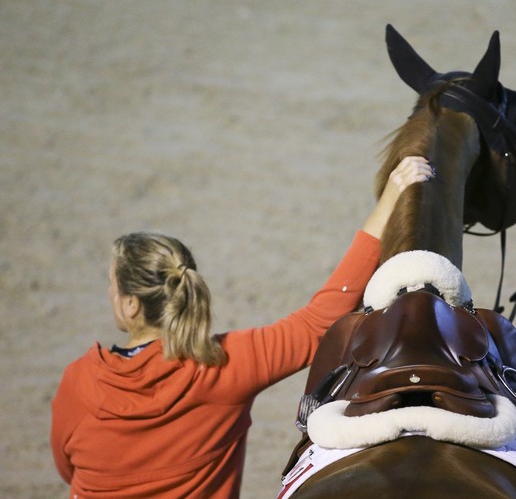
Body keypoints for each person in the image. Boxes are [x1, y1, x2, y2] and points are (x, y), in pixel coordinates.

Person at [50, 156, 434, 498]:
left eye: (111, 284)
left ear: (131, 304)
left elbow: (67, 468)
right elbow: (321, 318)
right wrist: (390, 198)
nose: (109, 292)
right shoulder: (225, 367)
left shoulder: (80, 382)